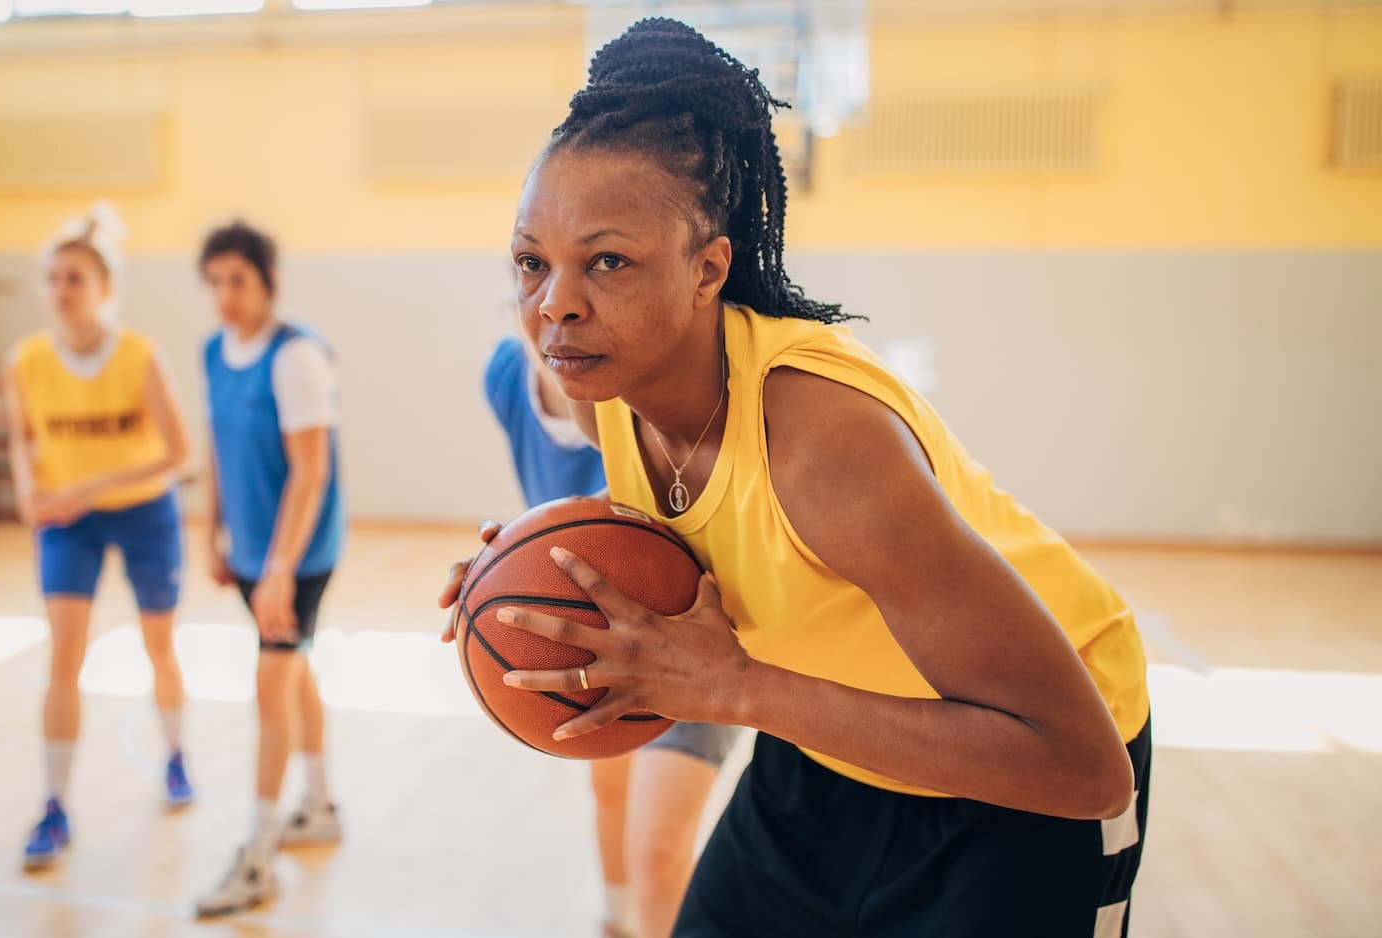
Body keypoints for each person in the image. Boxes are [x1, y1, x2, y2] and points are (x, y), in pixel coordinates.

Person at [441, 19, 1151, 937]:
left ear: (709, 270)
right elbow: (695, 556)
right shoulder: (605, 390)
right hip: (830, 746)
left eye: (607, 260)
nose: (555, 305)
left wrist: (734, 688)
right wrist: (531, 574)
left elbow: (1084, 767)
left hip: (1018, 776)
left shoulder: (822, 447)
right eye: (533, 263)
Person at [483, 332, 739, 938]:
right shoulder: (503, 376)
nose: (554, 297)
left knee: (656, 847)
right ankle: (618, 922)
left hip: (685, 629)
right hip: (587, 638)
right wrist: (502, 574)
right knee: (610, 797)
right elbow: (554, 521)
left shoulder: (648, 376)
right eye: (530, 265)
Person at [3, 203, 193, 870]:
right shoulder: (25, 360)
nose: (61, 290)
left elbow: (178, 453)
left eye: (74, 278)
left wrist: (86, 488)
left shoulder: (140, 357)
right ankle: (53, 804)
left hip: (143, 512)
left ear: (104, 289)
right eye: (52, 278)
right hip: (67, 523)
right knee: (64, 657)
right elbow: (22, 438)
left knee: (159, 646)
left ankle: (175, 755)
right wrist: (27, 488)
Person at [192, 221, 347, 917]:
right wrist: (210, 532)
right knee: (295, 672)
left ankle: (256, 858)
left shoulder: (296, 356)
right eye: (215, 281)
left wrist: (282, 567)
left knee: (271, 684)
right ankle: (317, 805)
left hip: (300, 557)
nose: (226, 296)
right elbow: (217, 447)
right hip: (252, 554)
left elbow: (310, 473)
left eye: (239, 281)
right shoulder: (213, 354)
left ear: (267, 283)